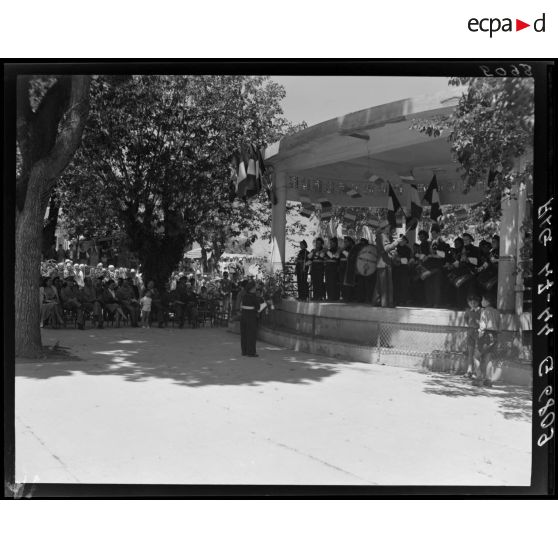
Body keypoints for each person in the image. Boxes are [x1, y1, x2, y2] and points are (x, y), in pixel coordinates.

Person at [474, 293, 501, 387]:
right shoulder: (497, 312)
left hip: (485, 335)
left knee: (476, 356)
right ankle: (488, 379)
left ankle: (479, 377)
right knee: (488, 358)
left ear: (487, 301)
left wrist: (480, 334)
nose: (481, 302)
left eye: (482, 300)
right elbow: (499, 326)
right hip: (494, 336)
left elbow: (482, 325)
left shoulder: (484, 311)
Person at [373, 221, 398, 308]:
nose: (390, 228)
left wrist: (393, 250)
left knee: (380, 285)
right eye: (388, 227)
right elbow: (386, 248)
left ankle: (378, 301)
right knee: (385, 284)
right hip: (383, 263)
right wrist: (395, 243)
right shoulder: (382, 236)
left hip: (384, 262)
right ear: (385, 227)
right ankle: (386, 303)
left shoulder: (382, 236)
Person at [240, 280, 262, 357]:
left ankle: (244, 351)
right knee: (251, 335)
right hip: (251, 317)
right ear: (252, 288)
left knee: (244, 334)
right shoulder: (253, 297)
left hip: (243, 316)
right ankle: (251, 352)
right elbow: (258, 307)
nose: (256, 289)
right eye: (255, 287)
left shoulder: (245, 296)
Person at [392, 235, 413, 306]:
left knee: (403, 286)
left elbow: (407, 261)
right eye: (400, 239)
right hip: (396, 269)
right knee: (396, 285)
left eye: (402, 240)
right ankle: (396, 300)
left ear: (405, 241)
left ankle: (403, 301)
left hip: (404, 270)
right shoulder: (395, 248)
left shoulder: (408, 249)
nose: (400, 241)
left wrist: (399, 260)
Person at [464, 293, 482, 377]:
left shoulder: (481, 311)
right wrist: (469, 325)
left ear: (478, 302)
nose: (472, 304)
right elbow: (466, 318)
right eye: (470, 302)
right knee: (470, 352)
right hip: (470, 331)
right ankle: (469, 370)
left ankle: (476, 371)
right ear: (468, 303)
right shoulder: (468, 311)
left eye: (474, 302)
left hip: (478, 332)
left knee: (477, 353)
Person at [339, 236, 355, 302]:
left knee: (348, 283)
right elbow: (337, 256)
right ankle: (344, 296)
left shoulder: (352, 248)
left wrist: (343, 250)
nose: (345, 243)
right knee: (342, 283)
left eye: (346, 242)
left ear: (350, 242)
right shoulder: (343, 249)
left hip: (349, 267)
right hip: (342, 267)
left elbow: (350, 256)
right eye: (344, 242)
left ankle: (348, 297)